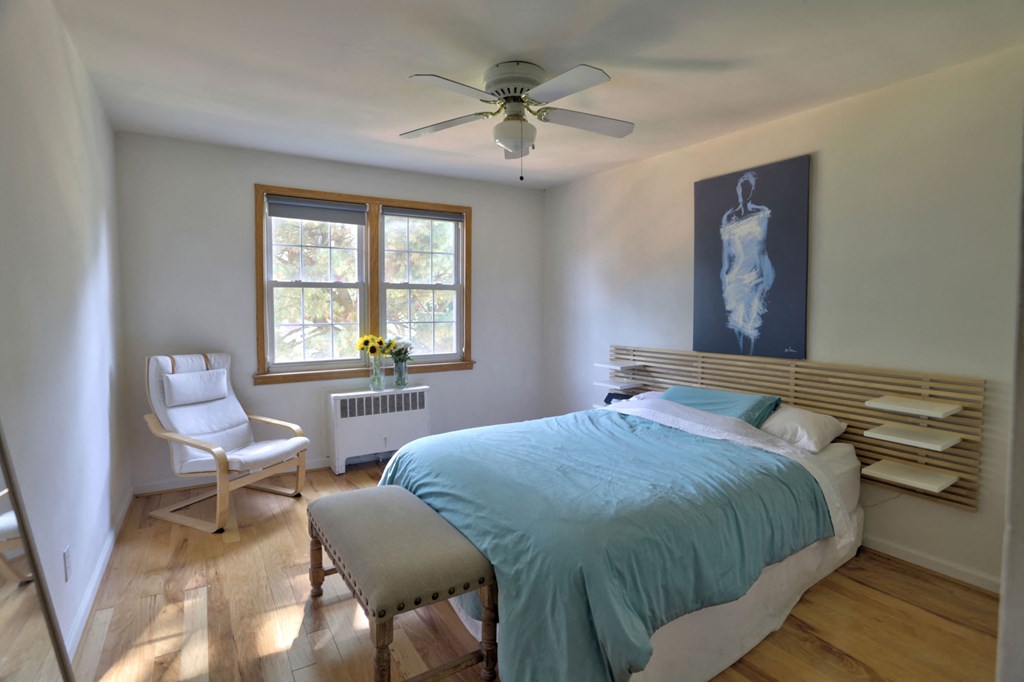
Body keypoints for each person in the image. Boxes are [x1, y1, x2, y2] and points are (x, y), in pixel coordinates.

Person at [720, 171, 774, 355]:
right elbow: (726, 253)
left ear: (753, 191)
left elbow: (762, 247)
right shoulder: (728, 217)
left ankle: (750, 368)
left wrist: (768, 273)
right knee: (736, 322)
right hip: (736, 275)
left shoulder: (761, 213)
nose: (745, 191)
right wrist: (725, 277)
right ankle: (738, 372)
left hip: (755, 274)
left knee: (751, 322)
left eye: (748, 187)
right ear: (738, 189)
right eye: (742, 186)